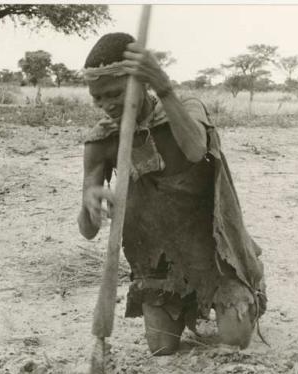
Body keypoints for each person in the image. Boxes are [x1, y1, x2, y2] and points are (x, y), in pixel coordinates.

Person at [78, 33, 267, 355]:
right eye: (98, 98)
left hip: (214, 251)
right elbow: (87, 231)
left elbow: (194, 150)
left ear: (142, 83)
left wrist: (164, 87)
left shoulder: (185, 109)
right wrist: (90, 205)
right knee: (160, 348)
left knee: (235, 339)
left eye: (115, 94)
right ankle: (184, 301)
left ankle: (250, 278)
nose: (107, 105)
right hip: (159, 261)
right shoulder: (101, 141)